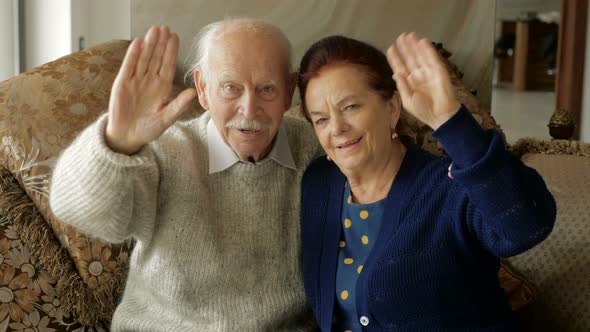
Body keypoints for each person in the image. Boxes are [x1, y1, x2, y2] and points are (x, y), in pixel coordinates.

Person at [50, 19, 322, 331]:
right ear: (203, 89)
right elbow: (81, 212)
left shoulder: (314, 148)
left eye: (266, 89)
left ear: (289, 91)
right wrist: (117, 141)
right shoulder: (166, 150)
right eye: (231, 88)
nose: (249, 109)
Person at [298, 33, 556, 331]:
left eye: (351, 107)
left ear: (392, 107)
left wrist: (450, 119)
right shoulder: (318, 185)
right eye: (321, 119)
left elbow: (526, 225)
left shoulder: (450, 185)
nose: (337, 128)